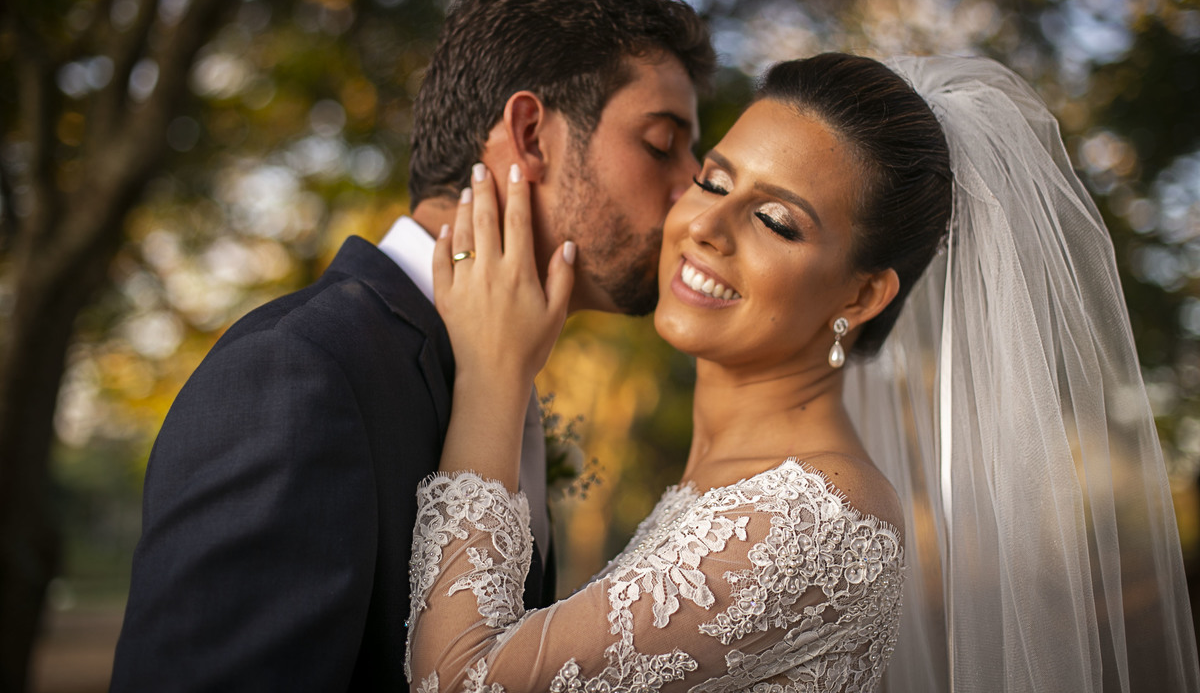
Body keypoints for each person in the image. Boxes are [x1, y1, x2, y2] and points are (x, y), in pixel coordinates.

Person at [405, 54, 1200, 692]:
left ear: (862, 292)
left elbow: (460, 681)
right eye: (714, 180)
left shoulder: (813, 520)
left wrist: (494, 372)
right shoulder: (734, 477)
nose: (707, 225)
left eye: (776, 221)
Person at [110, 0, 714, 691]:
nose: (691, 193)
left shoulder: (496, 369)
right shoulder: (298, 373)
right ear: (529, 135)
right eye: (660, 143)